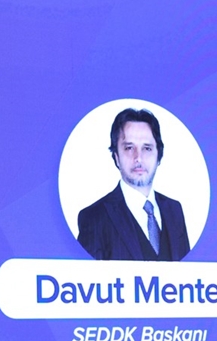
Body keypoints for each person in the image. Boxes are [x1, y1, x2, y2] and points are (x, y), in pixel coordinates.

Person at [77, 108, 191, 261]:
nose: (138, 158)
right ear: (116, 157)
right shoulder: (94, 217)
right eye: (129, 148)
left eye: (147, 148)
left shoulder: (175, 210)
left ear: (158, 156)